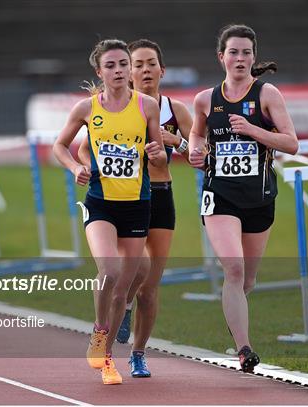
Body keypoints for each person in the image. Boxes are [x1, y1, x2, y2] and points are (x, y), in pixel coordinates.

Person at [53, 38, 166, 385]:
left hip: (136, 205)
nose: (119, 71)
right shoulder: (86, 109)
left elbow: (158, 152)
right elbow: (60, 146)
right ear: (99, 71)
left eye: (123, 65)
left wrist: (157, 152)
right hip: (100, 203)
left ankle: (107, 361)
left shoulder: (147, 106)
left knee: (123, 288)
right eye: (112, 66)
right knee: (109, 271)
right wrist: (74, 167)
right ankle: (99, 333)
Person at [77, 38, 192, 378]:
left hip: (160, 195)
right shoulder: (120, 108)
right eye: (137, 64)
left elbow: (202, 155)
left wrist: (176, 142)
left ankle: (139, 353)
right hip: (119, 196)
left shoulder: (174, 110)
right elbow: (86, 148)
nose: (143, 70)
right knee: (123, 275)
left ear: (161, 70)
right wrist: (89, 167)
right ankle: (114, 323)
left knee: (150, 284)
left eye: (149, 63)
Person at [188, 24, 298, 373]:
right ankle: (244, 349)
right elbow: (195, 132)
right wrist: (194, 149)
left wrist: (252, 130)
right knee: (232, 268)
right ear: (221, 57)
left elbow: (291, 143)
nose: (240, 58)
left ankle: (234, 319)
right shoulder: (206, 99)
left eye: (246, 52)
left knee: (247, 280)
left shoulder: (267, 95)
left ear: (254, 57)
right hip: (219, 195)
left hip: (260, 197)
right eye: (233, 52)